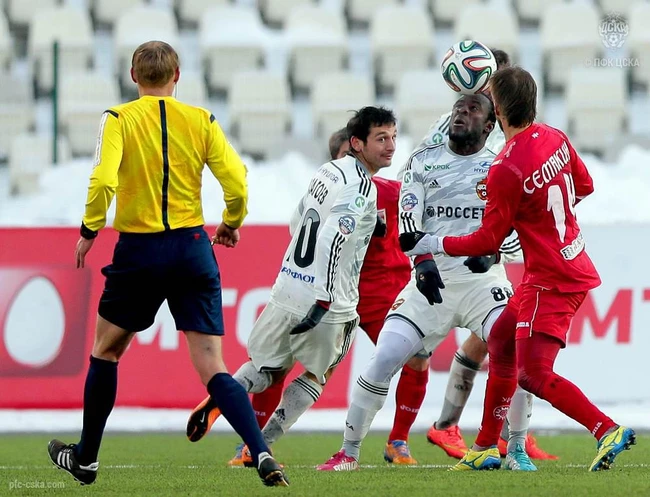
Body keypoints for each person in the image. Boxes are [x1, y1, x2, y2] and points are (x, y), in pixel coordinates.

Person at [46, 41, 288, 487]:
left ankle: (86, 458)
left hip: (139, 251)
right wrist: (232, 221)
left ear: (133, 77)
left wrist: (90, 228)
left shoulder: (118, 118)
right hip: (191, 247)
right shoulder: (201, 120)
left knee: (106, 350)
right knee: (213, 367)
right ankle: (261, 452)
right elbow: (236, 180)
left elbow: (102, 179)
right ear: (177, 75)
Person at [402, 66, 636, 472]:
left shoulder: (505, 168)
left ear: (497, 109)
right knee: (500, 339)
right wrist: (543, 218)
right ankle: (484, 447)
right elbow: (584, 186)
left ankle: (606, 429)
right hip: (565, 263)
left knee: (533, 376)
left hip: (551, 280)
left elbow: (485, 242)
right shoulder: (554, 136)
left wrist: (432, 242)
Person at [318, 93, 536, 471]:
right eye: (457, 109)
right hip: (431, 280)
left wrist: (494, 253)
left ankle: (514, 449)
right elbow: (408, 221)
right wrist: (421, 262)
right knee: (385, 357)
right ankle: (348, 453)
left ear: (489, 125)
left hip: (482, 282)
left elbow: (518, 231)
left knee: (516, 351)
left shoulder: (500, 166)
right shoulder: (423, 161)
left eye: (472, 110)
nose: (461, 114)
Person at [184, 107, 397, 458]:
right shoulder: (362, 186)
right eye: (381, 138)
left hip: (287, 288)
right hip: (329, 301)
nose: (390, 146)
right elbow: (332, 237)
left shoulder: (327, 171)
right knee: (318, 373)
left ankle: (222, 396)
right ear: (357, 143)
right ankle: (262, 443)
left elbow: (297, 220)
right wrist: (324, 296)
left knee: (266, 367)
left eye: (393, 137)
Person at [422, 48, 556, 461]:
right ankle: (503, 435)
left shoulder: (504, 130)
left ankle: (464, 427)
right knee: (507, 339)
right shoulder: (469, 127)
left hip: (497, 242)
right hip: (473, 242)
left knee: (491, 340)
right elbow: (427, 165)